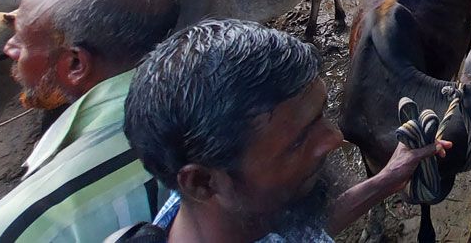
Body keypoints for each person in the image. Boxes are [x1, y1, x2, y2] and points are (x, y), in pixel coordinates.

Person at [115, 20, 448, 242]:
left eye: (321, 115)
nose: (335, 139)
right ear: (202, 182)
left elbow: (297, 229)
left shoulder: (235, 208)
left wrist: (389, 178)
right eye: (299, 140)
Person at [0, 0, 180, 243]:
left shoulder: (22, 227)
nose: (10, 47)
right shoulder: (221, 111)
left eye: (21, 37)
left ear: (75, 65)